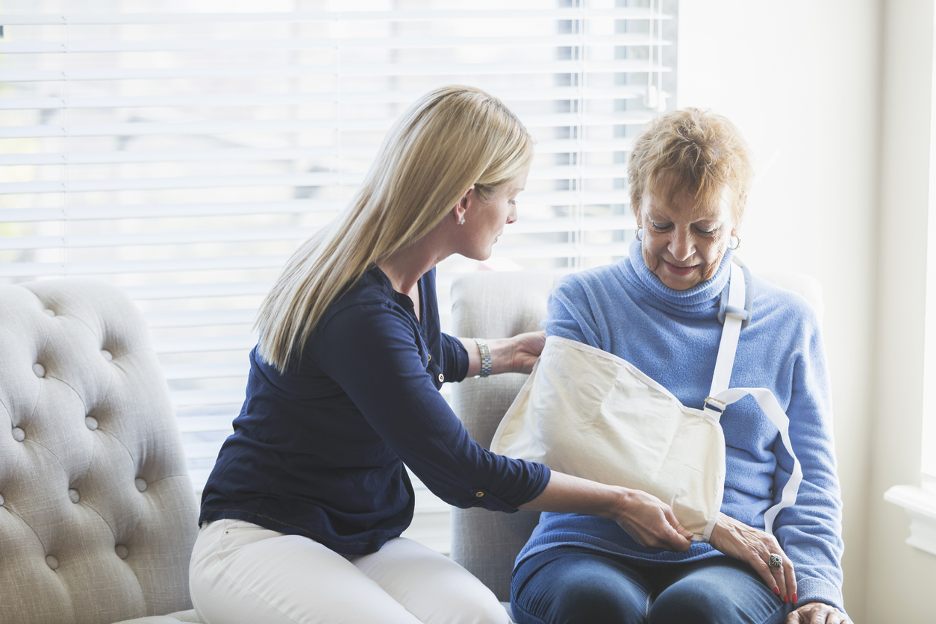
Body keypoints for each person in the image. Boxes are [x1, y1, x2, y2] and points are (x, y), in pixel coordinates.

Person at [189, 85, 698, 624]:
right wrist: (617, 500)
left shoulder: (410, 267)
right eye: (511, 197)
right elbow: (461, 472)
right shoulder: (358, 311)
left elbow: (413, 359)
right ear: (463, 200)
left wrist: (498, 354)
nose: (514, 216)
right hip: (257, 538)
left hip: (359, 538)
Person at [509, 108, 850, 624]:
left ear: (736, 224)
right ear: (635, 209)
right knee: (599, 604)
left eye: (706, 230)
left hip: (728, 563)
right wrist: (706, 521)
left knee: (698, 610)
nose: (681, 249)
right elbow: (569, 448)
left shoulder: (789, 323)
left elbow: (810, 479)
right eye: (661, 224)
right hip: (585, 543)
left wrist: (819, 591)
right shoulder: (585, 302)